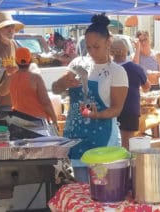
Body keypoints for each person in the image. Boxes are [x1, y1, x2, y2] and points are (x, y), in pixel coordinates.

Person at [51, 14, 128, 182]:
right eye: (88, 47)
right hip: (76, 136)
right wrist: (63, 82)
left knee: (102, 188)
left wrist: (97, 115)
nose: (91, 52)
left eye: (96, 46)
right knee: (81, 189)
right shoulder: (78, 63)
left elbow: (117, 108)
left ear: (108, 43)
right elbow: (55, 89)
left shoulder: (117, 72)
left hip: (102, 139)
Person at [110, 38, 151, 149]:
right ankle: (127, 165)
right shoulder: (136, 68)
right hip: (130, 109)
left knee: (113, 143)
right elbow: (147, 86)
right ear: (126, 50)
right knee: (128, 145)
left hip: (112, 109)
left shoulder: (109, 69)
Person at [0, 12, 24, 119]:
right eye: (6, 27)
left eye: (12, 26)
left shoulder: (14, 45)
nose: (11, 30)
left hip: (12, 103)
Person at [9, 47, 58, 125]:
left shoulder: (11, 78)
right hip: (36, 121)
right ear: (31, 60)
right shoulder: (35, 78)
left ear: (16, 61)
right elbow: (45, 102)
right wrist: (55, 120)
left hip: (18, 119)